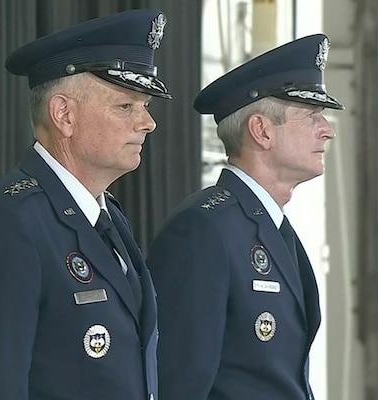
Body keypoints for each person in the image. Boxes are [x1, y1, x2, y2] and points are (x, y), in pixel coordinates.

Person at [0, 9, 171, 400]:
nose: (148, 123)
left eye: (145, 106)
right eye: (126, 106)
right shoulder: (9, 225)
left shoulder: (106, 217)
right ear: (64, 114)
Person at [146, 34, 344, 400]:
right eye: (311, 115)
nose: (327, 130)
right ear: (261, 131)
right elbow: (178, 382)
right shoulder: (204, 229)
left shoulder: (270, 227)